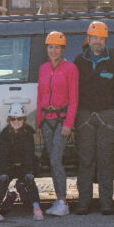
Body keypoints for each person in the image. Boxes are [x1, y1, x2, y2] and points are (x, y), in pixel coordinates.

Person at [73, 20, 114, 216]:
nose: (97, 41)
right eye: (94, 37)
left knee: (106, 160)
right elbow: (74, 89)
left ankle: (106, 203)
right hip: (85, 115)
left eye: (101, 38)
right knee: (86, 160)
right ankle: (83, 203)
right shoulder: (79, 60)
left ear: (105, 39)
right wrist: (78, 113)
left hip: (107, 115)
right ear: (88, 39)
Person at [37, 31, 78, 217]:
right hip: (47, 120)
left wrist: (69, 123)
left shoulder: (70, 68)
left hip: (62, 120)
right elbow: (40, 96)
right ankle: (58, 200)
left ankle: (63, 201)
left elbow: (74, 99)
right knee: (52, 162)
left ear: (63, 49)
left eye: (57, 47)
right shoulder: (43, 68)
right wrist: (39, 121)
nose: (53, 50)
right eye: (50, 46)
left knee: (55, 159)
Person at [0, 107, 43, 222]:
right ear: (9, 120)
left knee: (30, 179)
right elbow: (2, 154)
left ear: (24, 120)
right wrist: (3, 170)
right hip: (10, 165)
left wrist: (29, 171)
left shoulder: (28, 132)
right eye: (13, 118)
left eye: (19, 118)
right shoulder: (5, 133)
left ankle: (37, 208)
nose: (16, 121)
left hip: (24, 165)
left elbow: (29, 153)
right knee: (3, 179)